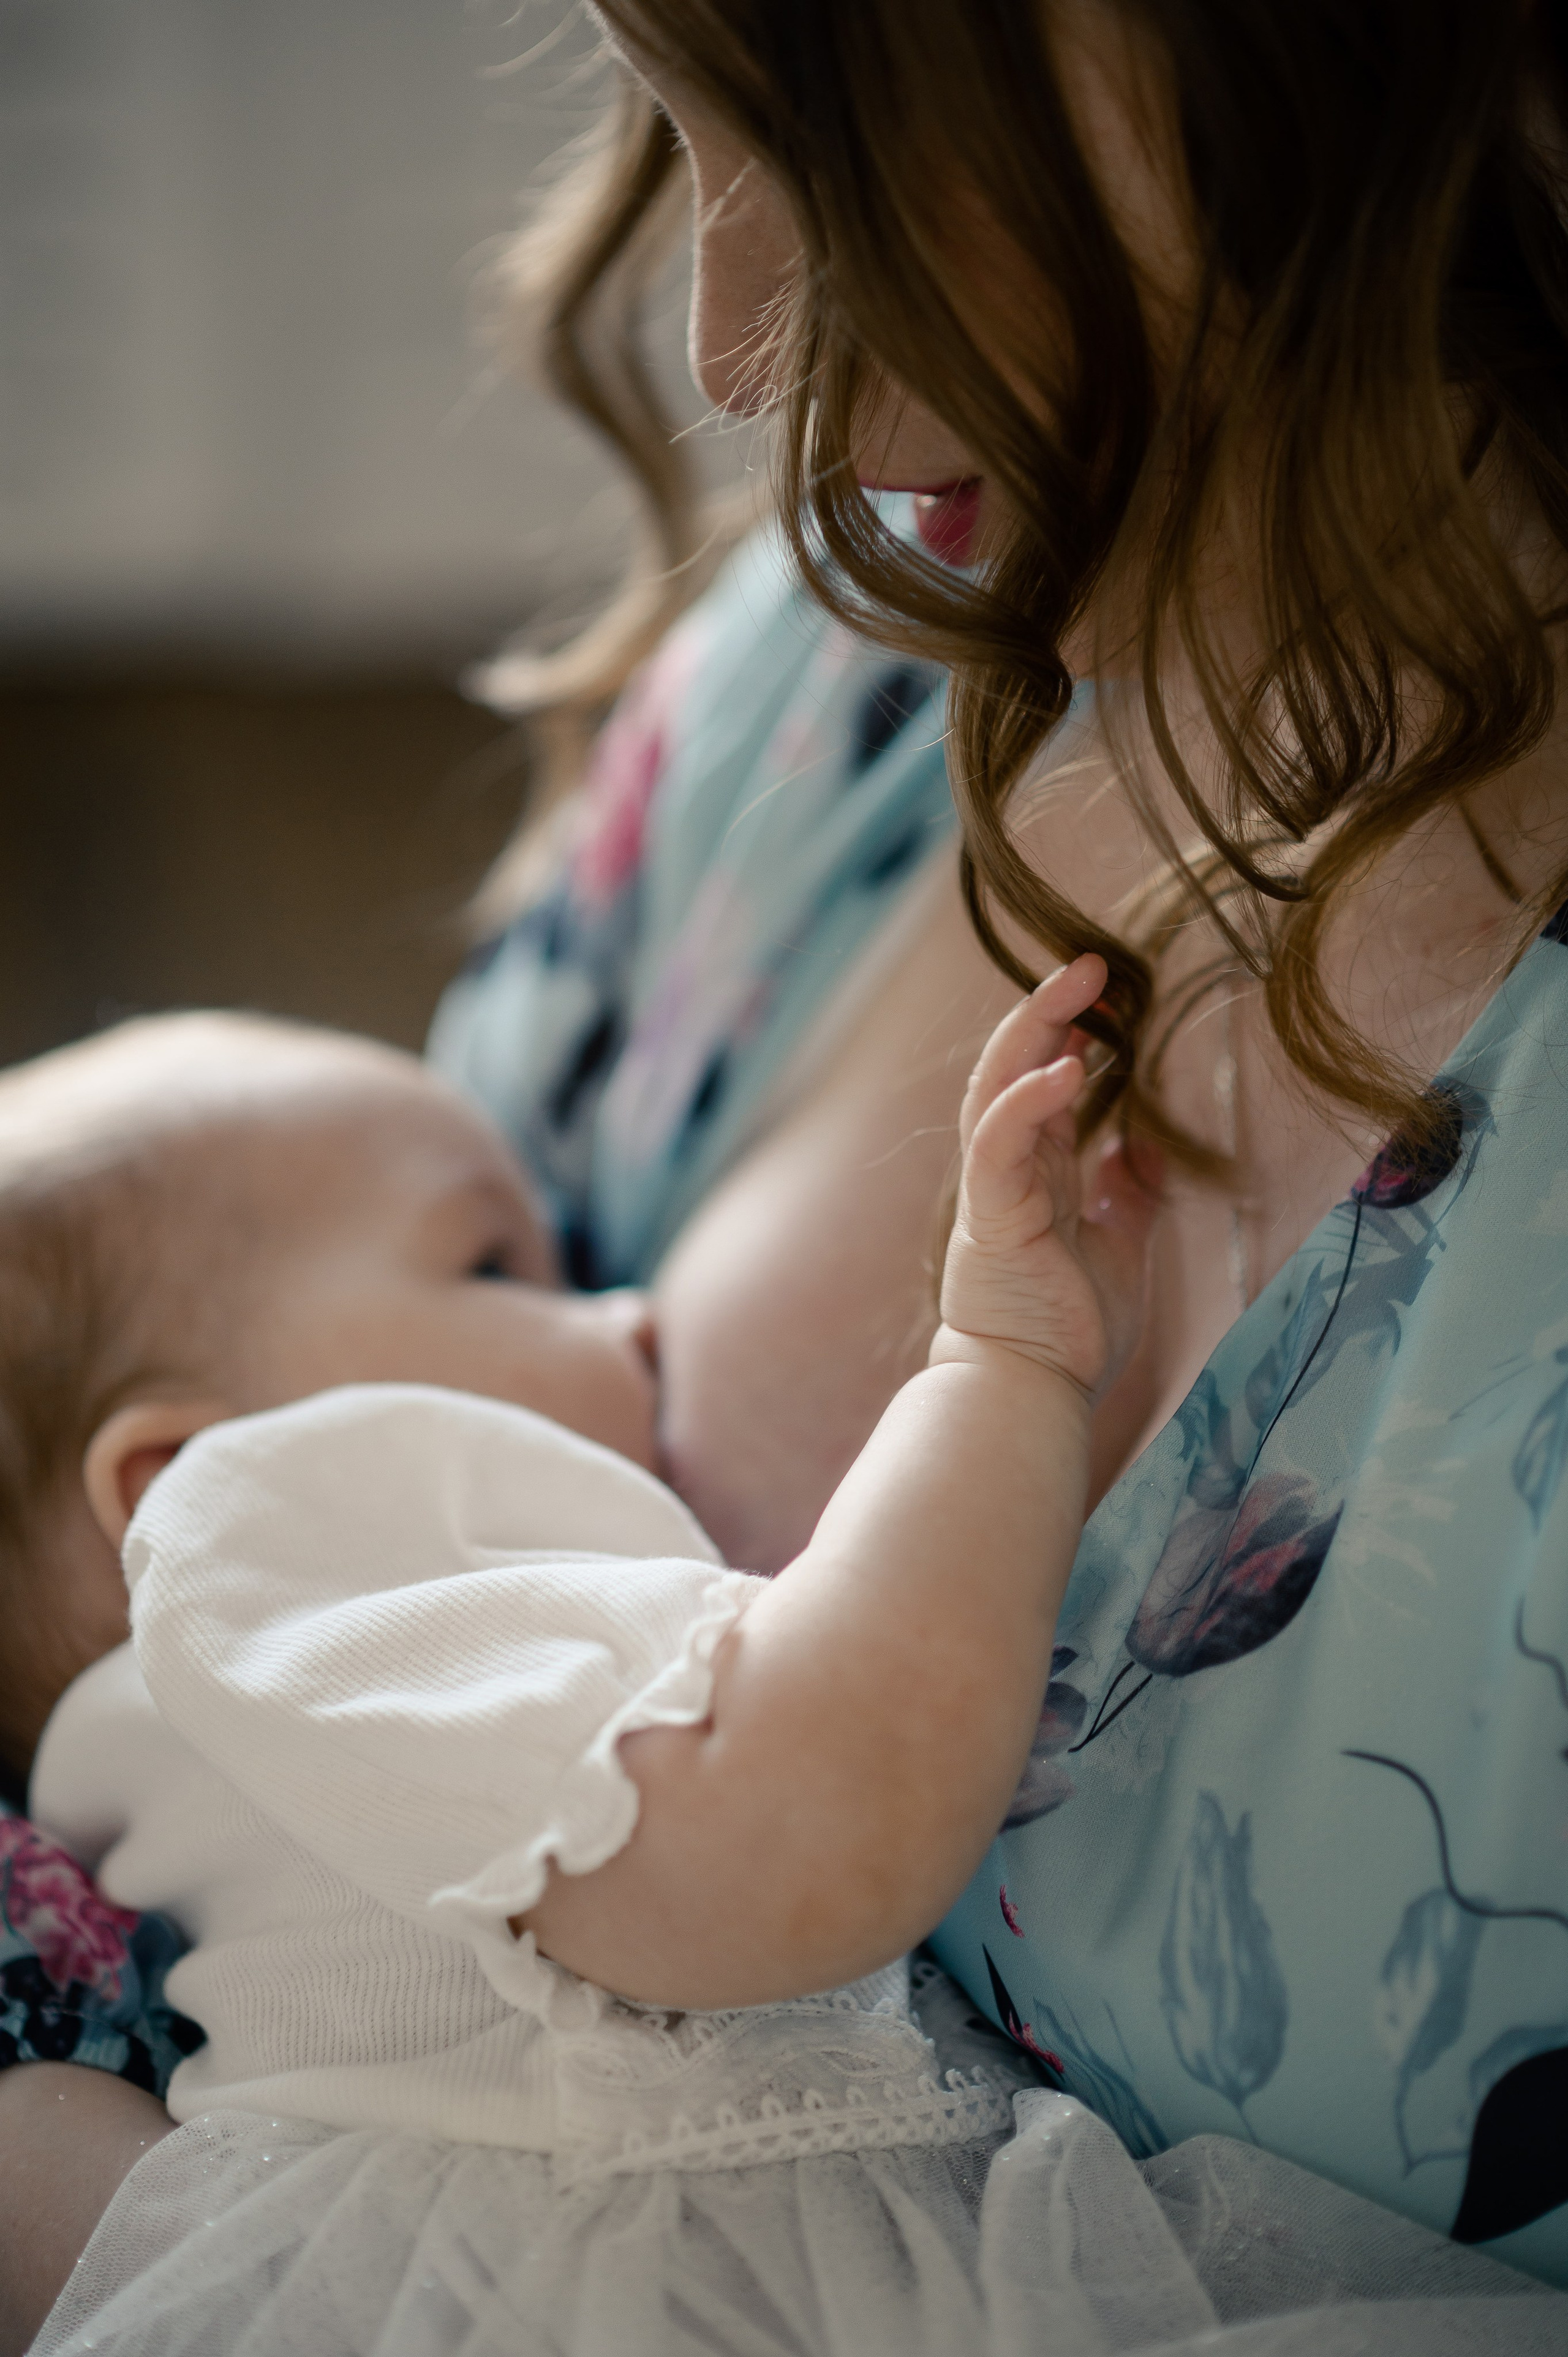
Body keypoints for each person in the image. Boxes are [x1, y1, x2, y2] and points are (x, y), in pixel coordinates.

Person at [9, 0, 1568, 2325]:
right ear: (177, 1483)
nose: (740, 353)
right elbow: (805, 1821)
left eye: (831, 132)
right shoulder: (307, 1581)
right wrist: (996, 1376)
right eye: (685, 125)